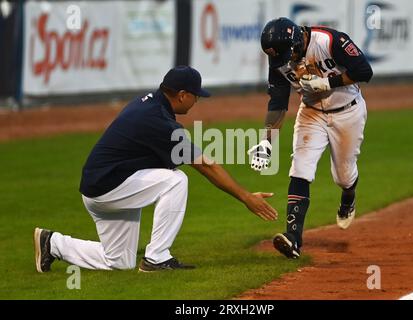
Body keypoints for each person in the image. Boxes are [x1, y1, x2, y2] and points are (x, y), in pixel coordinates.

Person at [34, 66, 278, 273]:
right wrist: (246, 197)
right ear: (182, 95)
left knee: (119, 261)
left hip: (102, 187)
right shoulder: (159, 121)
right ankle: (156, 258)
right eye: (196, 96)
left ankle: (53, 243)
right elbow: (205, 164)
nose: (197, 101)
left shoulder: (150, 104)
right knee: (176, 180)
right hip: (108, 187)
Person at [248, 18, 373, 259]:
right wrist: (267, 141)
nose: (285, 60)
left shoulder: (330, 40)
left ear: (297, 40)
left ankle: (348, 197)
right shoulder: (280, 57)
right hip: (312, 113)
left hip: (348, 111)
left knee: (344, 176)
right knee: (300, 167)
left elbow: (364, 71)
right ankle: (293, 238)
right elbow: (278, 101)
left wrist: (327, 82)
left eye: (286, 54)